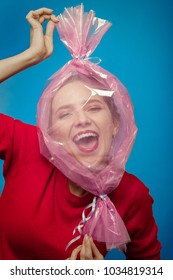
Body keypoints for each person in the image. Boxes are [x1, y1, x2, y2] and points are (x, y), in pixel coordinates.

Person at [0, 7, 161, 260]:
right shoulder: (28, 146)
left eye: (94, 108)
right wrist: (30, 56)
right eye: (65, 114)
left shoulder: (133, 196)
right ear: (50, 132)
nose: (82, 120)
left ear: (116, 122)